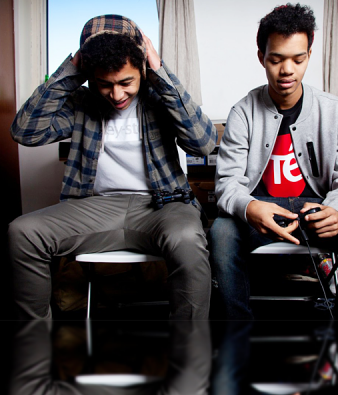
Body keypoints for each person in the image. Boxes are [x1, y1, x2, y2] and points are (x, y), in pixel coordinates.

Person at [9, 14, 217, 320]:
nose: (117, 95)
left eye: (125, 82)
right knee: (22, 232)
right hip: (95, 208)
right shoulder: (82, 103)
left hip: (162, 205)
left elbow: (204, 143)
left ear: (142, 68)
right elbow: (25, 132)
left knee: (187, 238)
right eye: (104, 84)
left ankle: (191, 346)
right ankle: (33, 342)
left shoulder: (160, 98)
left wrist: (161, 74)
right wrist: (70, 72)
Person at [208, 3, 338, 320]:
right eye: (276, 59)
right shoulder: (242, 112)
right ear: (261, 57)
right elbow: (227, 183)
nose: (287, 70)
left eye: (298, 59)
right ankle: (238, 331)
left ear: (309, 54)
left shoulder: (335, 110)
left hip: (319, 206)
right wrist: (250, 208)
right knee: (221, 234)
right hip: (261, 209)